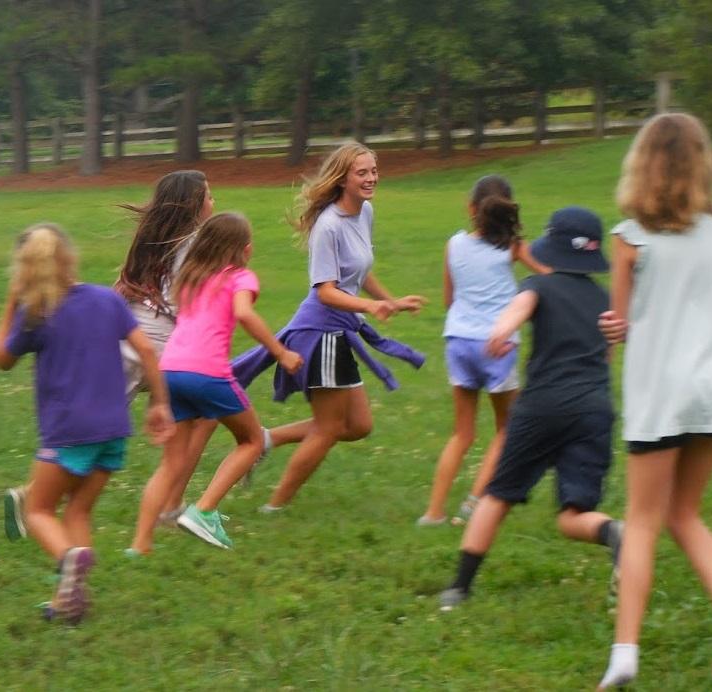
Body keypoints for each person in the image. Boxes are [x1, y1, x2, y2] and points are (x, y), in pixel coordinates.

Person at [595, 113, 712, 688]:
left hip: (660, 391)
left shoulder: (629, 239)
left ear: (642, 164)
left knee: (643, 522)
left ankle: (624, 655)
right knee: (685, 513)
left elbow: (617, 327)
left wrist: (612, 333)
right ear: (702, 164)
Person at [2, 171, 219, 541]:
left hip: (144, 336)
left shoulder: (163, 238)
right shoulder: (195, 242)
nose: (214, 202)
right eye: (209, 195)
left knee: (199, 414)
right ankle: (34, 498)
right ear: (192, 203)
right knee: (89, 431)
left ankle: (170, 504)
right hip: (154, 344)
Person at [437, 206, 622, 610]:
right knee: (573, 513)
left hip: (542, 406)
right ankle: (613, 533)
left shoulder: (539, 285)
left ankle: (459, 588)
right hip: (594, 409)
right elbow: (607, 353)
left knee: (498, 495)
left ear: (552, 245)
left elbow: (518, 309)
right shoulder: (604, 299)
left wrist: (501, 330)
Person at [0, 223, 172, 623]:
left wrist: (11, 301)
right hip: (113, 430)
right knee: (77, 513)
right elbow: (145, 349)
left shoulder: (36, 312)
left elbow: (2, 359)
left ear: (26, 268)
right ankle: (69, 603)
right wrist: (159, 404)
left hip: (69, 432)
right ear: (70, 257)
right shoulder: (106, 300)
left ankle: (67, 557)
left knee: (37, 509)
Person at [232, 143, 427, 511]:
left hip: (342, 329)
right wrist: (370, 305)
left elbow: (360, 270)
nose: (371, 178)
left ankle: (265, 439)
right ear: (343, 178)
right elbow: (326, 291)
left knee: (359, 425)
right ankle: (274, 508)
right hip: (322, 334)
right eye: (362, 173)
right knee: (329, 428)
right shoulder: (329, 225)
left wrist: (391, 300)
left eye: (373, 170)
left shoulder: (364, 212)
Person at [129, 212, 303, 553]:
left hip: (169, 373)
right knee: (252, 441)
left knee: (171, 463)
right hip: (207, 374)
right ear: (245, 249)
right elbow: (244, 313)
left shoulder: (191, 278)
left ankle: (139, 544)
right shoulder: (241, 278)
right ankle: (204, 512)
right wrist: (281, 353)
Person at [419, 174, 551, 527]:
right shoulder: (513, 248)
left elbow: (449, 300)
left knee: (462, 433)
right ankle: (475, 502)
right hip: (498, 346)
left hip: (458, 342)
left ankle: (433, 512)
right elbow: (549, 276)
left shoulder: (454, 245)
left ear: (471, 208)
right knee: (507, 428)